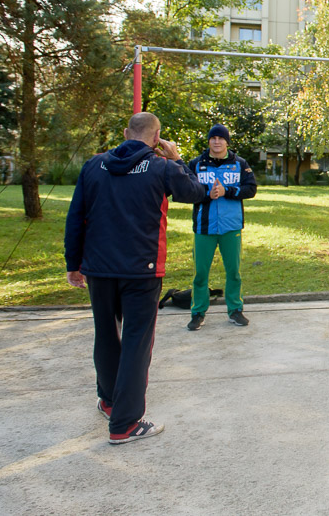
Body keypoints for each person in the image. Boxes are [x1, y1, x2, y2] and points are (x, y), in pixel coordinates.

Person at [64, 112, 206, 444]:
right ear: (157, 138)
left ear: (127, 133)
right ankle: (126, 423)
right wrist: (179, 159)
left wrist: (74, 261)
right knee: (136, 342)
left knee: (106, 335)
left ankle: (111, 402)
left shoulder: (93, 165)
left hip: (98, 267)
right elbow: (195, 192)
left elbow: (76, 216)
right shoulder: (162, 167)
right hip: (141, 269)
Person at [185, 124, 257, 331]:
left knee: (233, 271)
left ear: (227, 141)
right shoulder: (196, 164)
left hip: (231, 227)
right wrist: (207, 193)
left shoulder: (240, 164)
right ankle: (198, 312)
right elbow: (186, 191)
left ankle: (235, 309)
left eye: (221, 138)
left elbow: (251, 189)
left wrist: (228, 191)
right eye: (213, 138)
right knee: (200, 273)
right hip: (204, 227)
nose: (217, 142)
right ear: (208, 141)